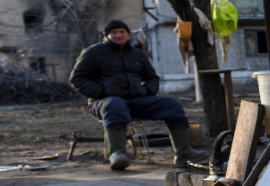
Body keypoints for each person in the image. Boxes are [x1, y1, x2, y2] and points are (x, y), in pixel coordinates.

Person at [70, 19, 209, 171]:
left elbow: (151, 78)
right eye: (114, 32)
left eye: (121, 32)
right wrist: (100, 92)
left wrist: (146, 91)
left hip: (136, 100)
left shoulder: (137, 54)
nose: (118, 35)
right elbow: (77, 78)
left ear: (128, 35)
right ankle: (117, 154)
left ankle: (184, 153)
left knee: (172, 105)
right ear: (107, 36)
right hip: (104, 102)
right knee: (115, 104)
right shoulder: (93, 53)